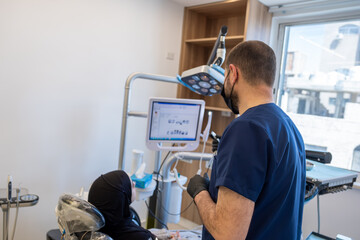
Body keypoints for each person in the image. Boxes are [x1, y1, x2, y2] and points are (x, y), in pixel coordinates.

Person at [187, 40, 306, 240]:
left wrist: (199, 193)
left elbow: (228, 235)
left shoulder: (245, 128)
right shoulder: (289, 127)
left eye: (224, 77)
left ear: (233, 74)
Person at [88, 170, 157, 240]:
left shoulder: (93, 228)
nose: (134, 183)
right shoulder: (141, 237)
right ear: (121, 198)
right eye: (130, 185)